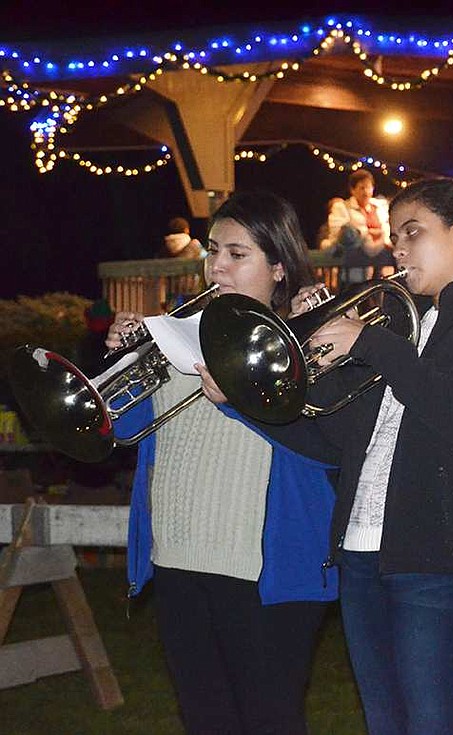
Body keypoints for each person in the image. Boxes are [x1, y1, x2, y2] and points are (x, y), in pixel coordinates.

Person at [207, 177, 453, 734]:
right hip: (364, 555)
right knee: (385, 723)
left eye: (414, 233)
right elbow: (330, 439)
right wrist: (246, 403)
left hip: (443, 556)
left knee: (432, 724)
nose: (399, 248)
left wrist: (370, 344)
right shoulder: (398, 321)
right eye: (395, 237)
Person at [107, 191, 336, 735]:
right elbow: (122, 428)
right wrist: (122, 358)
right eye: (214, 251)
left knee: (269, 718)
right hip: (178, 555)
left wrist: (237, 403)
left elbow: (327, 448)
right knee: (204, 717)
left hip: (262, 567)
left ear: (279, 267)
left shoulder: (310, 337)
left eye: (238, 253)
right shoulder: (175, 331)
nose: (218, 266)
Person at [324, 168, 394, 283]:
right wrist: (367, 233)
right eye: (362, 188)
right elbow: (339, 233)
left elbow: (389, 228)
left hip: (382, 263)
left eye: (369, 187)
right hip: (354, 266)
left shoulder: (381, 207)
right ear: (353, 190)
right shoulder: (342, 208)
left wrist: (382, 236)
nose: (366, 191)